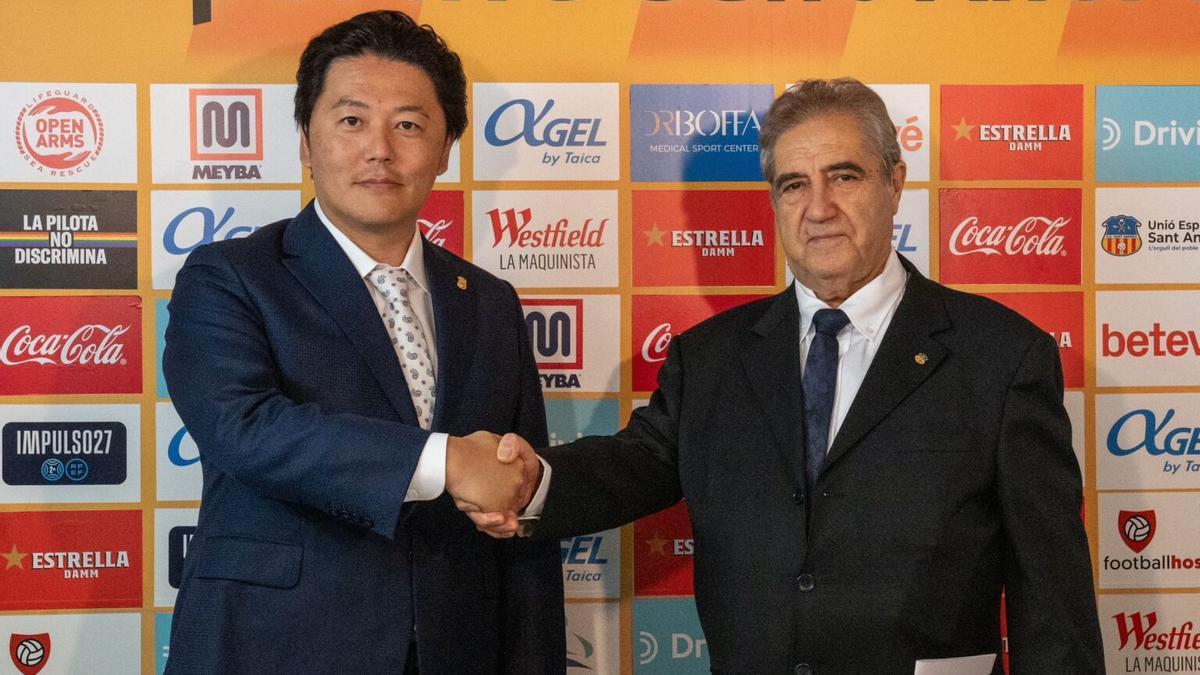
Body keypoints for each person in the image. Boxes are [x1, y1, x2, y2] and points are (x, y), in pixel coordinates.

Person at [469, 79, 1104, 673]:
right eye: (794, 184)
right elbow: (634, 465)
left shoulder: (1001, 356)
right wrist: (532, 481)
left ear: (895, 183)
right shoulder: (709, 358)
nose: (818, 208)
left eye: (844, 176)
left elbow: (1052, 596)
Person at [163, 11, 562, 673]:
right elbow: (246, 430)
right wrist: (446, 460)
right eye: (352, 120)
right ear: (306, 141)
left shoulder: (489, 302)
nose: (380, 149)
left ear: (445, 150)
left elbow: (517, 512)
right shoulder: (230, 277)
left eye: (408, 124)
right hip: (275, 648)